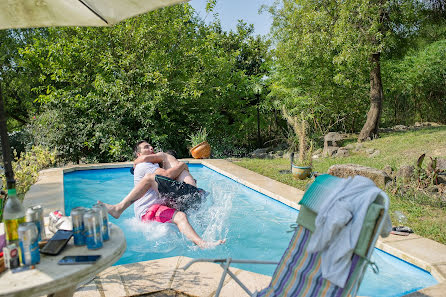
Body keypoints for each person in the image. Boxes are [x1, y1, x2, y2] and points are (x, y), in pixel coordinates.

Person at [101, 140, 225, 249]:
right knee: (179, 215)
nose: (151, 148)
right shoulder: (143, 165)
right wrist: (182, 165)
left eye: (151, 146)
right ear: (139, 155)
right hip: (147, 211)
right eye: (146, 147)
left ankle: (199, 239)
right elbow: (166, 175)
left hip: (160, 206)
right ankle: (201, 243)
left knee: (183, 214)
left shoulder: (154, 164)